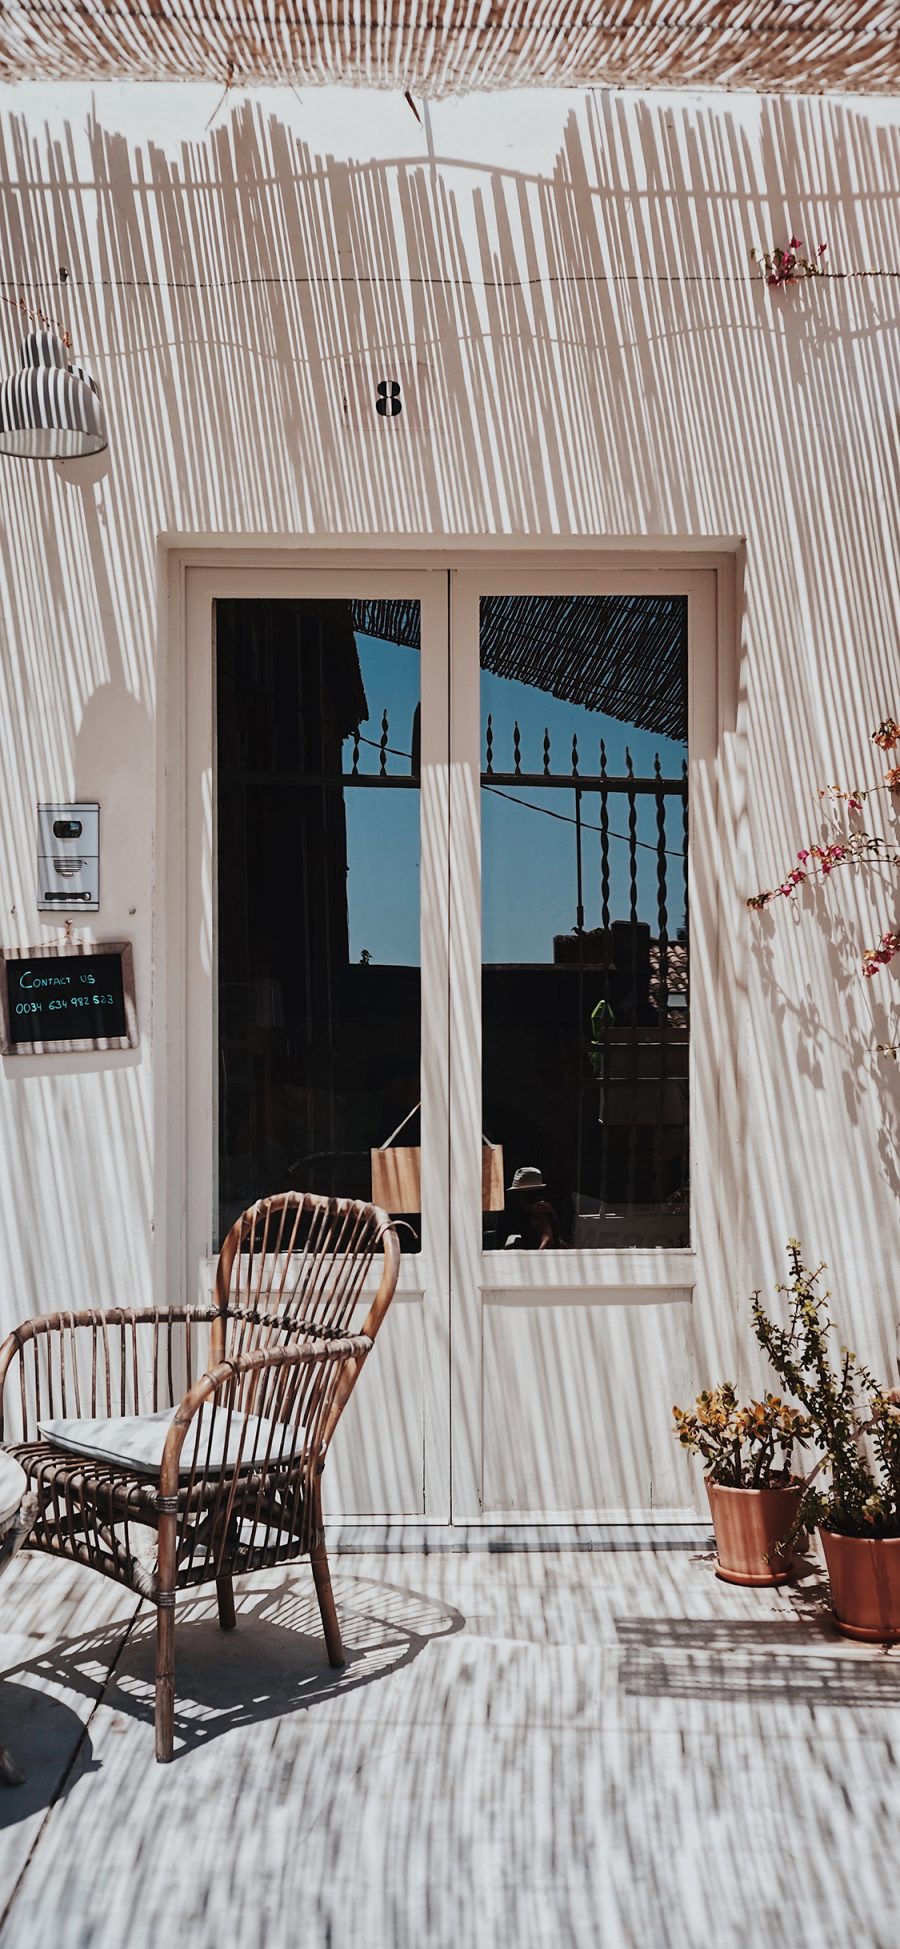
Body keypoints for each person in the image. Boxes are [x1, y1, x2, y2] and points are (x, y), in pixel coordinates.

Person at [502, 1165, 561, 1250]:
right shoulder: (538, 1208)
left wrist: (537, 1258)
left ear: (524, 1194)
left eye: (516, 1193)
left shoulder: (538, 1210)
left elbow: (548, 1240)